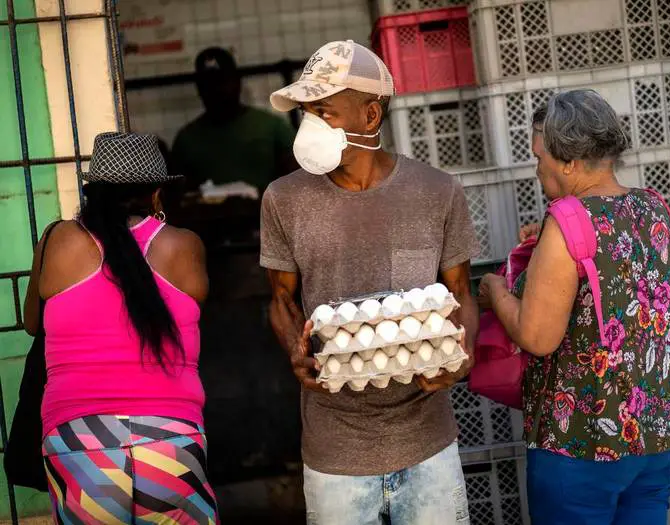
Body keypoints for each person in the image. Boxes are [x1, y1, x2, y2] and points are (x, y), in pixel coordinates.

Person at [261, 40, 480, 525]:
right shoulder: (284, 199)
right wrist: (295, 352)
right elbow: (279, 297)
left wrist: (462, 361)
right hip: (335, 447)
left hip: (427, 441)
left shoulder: (437, 191)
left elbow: (462, 291)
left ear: (370, 116)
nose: (310, 126)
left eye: (324, 112)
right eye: (305, 114)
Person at [479, 90, 670, 525]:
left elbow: (538, 337)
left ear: (568, 161)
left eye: (539, 155)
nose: (536, 165)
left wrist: (495, 293)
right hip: (656, 433)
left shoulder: (566, 219)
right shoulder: (652, 206)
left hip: (582, 441)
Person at [24, 132, 218, 524]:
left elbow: (32, 324)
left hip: (78, 443)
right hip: (170, 440)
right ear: (157, 193)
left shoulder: (56, 240)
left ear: (91, 190)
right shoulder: (183, 247)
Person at [172, 47, 297, 194]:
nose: (217, 90)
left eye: (222, 81)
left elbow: (298, 183)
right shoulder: (186, 140)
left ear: (238, 82)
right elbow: (176, 197)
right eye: (209, 84)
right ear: (199, 89)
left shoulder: (272, 128)